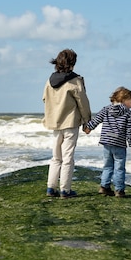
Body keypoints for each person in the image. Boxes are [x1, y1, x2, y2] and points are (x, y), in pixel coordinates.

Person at [42, 49, 92, 198]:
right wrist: (87, 121)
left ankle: (51, 188)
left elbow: (45, 99)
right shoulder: (75, 80)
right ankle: (65, 190)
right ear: (73, 63)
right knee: (67, 157)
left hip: (54, 123)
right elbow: (83, 103)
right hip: (70, 122)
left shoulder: (50, 80)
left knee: (56, 157)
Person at [84, 87, 131, 197]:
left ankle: (104, 187)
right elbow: (130, 131)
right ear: (123, 100)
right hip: (119, 144)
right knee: (119, 167)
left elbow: (97, 119)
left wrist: (89, 128)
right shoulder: (128, 113)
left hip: (106, 142)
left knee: (107, 165)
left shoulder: (106, 109)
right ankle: (119, 190)